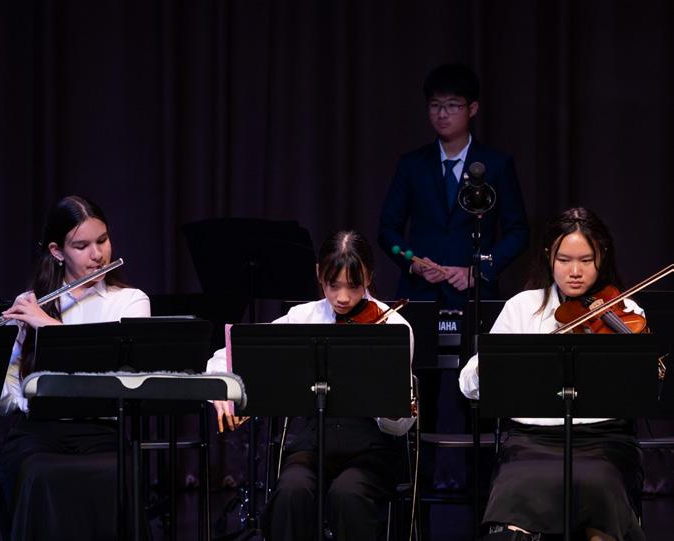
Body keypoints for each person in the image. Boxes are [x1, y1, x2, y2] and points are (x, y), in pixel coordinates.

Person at [205, 230, 415, 541]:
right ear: (319, 274)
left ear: (369, 277)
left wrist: (386, 403)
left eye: (354, 286)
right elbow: (231, 353)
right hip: (312, 445)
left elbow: (399, 426)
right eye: (333, 285)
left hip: (371, 449)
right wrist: (223, 387)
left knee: (348, 494)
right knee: (291, 490)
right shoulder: (303, 317)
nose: (343, 297)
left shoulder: (394, 326)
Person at [0, 195, 150, 540]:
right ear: (57, 251)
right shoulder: (32, 305)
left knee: (115, 473)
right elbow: (8, 401)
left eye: (102, 240)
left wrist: (47, 326)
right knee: (38, 474)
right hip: (36, 434)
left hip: (102, 431)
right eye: (82, 246)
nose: (98, 254)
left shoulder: (130, 301)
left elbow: (121, 376)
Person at [459, 207, 644, 541]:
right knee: (515, 490)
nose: (575, 272)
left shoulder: (626, 311)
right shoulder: (522, 307)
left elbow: (643, 388)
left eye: (586, 260)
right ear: (549, 257)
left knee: (601, 485)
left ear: (602, 257)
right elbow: (469, 383)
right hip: (532, 442)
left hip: (602, 442)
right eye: (564, 260)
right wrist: (491, 366)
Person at [378, 62, 529, 309]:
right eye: (435, 105)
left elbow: (518, 232)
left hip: (475, 295)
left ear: (472, 108)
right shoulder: (411, 165)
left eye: (452, 105)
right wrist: (413, 262)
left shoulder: (496, 164)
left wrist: (479, 270)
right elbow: (387, 230)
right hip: (420, 294)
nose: (442, 114)